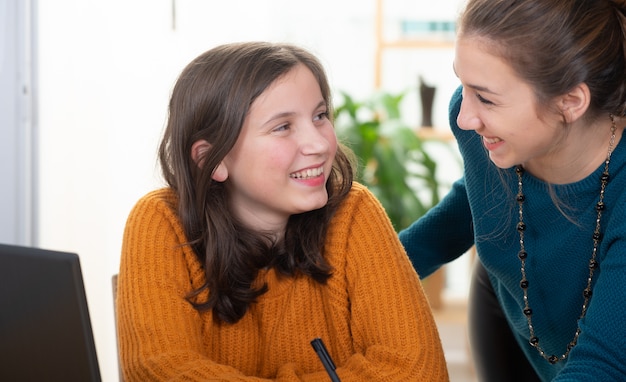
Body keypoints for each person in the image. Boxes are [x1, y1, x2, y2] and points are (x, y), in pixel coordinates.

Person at [116, 41, 449, 381]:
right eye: (283, 127)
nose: (319, 144)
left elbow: (419, 372)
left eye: (320, 116)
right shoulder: (161, 221)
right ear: (210, 159)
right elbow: (158, 370)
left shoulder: (354, 212)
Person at [400, 0, 626, 380]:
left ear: (570, 101)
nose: (463, 116)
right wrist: (361, 275)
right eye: (462, 84)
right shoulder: (483, 131)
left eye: (485, 97)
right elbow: (474, 202)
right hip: (511, 307)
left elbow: (602, 362)